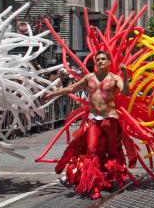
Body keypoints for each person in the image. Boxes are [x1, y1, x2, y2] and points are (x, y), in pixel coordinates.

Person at [42, 50, 132, 199]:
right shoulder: (89, 78)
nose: (100, 61)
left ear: (109, 62)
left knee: (113, 151)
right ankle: (95, 186)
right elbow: (72, 88)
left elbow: (126, 93)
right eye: (98, 59)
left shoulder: (115, 78)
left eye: (103, 59)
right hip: (93, 119)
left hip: (110, 118)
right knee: (91, 151)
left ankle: (111, 179)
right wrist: (53, 94)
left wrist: (125, 75)